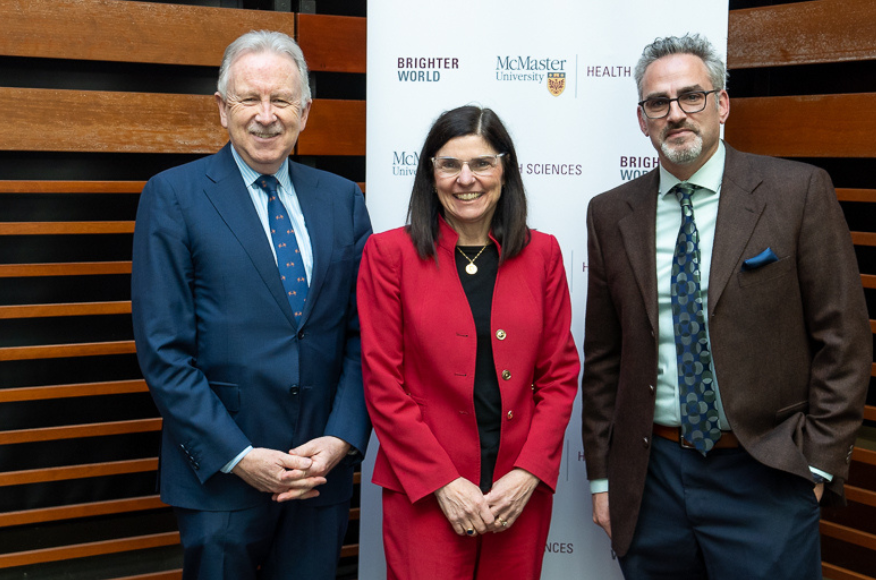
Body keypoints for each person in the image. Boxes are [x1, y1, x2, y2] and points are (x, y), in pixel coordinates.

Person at [581, 34, 872, 580]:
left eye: (692, 96)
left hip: (765, 472)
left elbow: (845, 340)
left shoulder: (798, 192)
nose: (676, 114)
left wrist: (815, 463)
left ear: (723, 104)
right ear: (642, 120)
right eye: (658, 103)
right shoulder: (610, 213)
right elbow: (604, 357)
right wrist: (603, 480)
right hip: (652, 476)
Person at [131, 30, 371, 580]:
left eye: (282, 100)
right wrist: (241, 456)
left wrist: (340, 438)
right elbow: (163, 350)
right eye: (250, 99)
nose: (267, 116)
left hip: (319, 473)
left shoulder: (343, 199)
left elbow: (365, 335)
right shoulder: (172, 196)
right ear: (222, 108)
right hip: (220, 478)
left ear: (305, 111)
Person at [357, 105, 580, 579]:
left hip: (515, 493)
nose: (466, 179)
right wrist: (442, 483)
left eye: (481, 163)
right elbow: (382, 383)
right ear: (430, 174)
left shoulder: (543, 254)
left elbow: (559, 376)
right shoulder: (387, 254)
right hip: (424, 489)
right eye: (450, 164)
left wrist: (528, 473)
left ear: (505, 170)